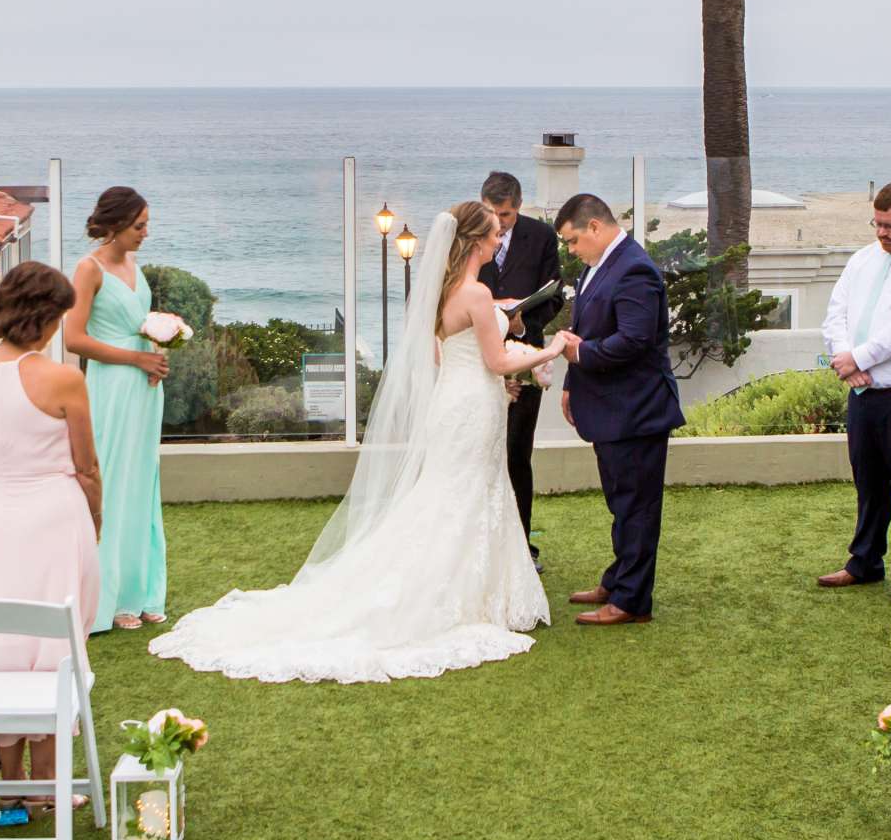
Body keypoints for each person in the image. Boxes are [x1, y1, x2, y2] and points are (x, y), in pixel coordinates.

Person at [150, 202, 553, 681]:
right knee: (465, 492)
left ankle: (476, 591)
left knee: (453, 491)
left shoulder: (443, 293)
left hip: (456, 403)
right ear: (473, 241)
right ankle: (457, 597)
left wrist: (497, 376)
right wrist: (551, 351)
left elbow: (447, 360)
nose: (496, 240)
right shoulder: (479, 294)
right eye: (491, 234)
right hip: (473, 405)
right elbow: (497, 361)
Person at [0, 262, 102, 806]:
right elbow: (87, 466)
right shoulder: (63, 378)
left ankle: (15, 787)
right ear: (46, 316)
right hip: (53, 515)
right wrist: (96, 519)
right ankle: (46, 787)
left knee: (0, 643)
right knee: (52, 643)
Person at [554, 193, 685, 627]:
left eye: (573, 241)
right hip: (609, 407)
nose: (572, 251)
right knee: (620, 501)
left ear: (594, 227)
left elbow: (633, 340)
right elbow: (583, 330)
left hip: (636, 410)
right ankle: (618, 578)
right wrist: (573, 384)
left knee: (637, 506)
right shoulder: (598, 266)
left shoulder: (635, 269)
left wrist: (581, 357)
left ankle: (631, 600)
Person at [816, 181, 891, 594]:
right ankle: (865, 561)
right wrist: (846, 361)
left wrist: (861, 358)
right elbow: (836, 313)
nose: (882, 233)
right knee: (867, 481)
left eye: (890, 225)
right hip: (863, 392)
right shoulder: (862, 259)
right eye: (877, 224)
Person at [62, 187, 171, 632]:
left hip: (144, 388)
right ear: (115, 224)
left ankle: (143, 589)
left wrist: (157, 352)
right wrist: (135, 358)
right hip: (110, 386)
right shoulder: (88, 269)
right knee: (116, 479)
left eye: (146, 224)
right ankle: (113, 597)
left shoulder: (133, 265)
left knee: (143, 481)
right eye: (139, 225)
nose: (145, 233)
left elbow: (136, 325)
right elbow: (74, 338)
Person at [478, 171, 562, 568]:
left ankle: (521, 547)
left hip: (525, 356)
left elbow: (554, 296)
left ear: (519, 206)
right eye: (493, 213)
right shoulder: (468, 236)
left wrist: (522, 325)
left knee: (516, 453)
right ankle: (480, 546)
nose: (500, 222)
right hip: (478, 363)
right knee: (480, 454)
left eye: (507, 215)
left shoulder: (542, 237)